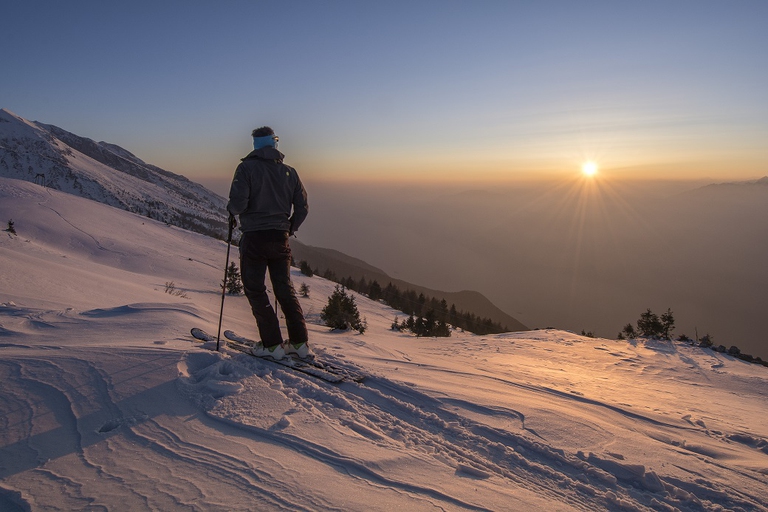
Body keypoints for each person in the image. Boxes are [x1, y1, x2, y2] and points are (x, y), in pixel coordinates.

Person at [227, 126, 309, 360]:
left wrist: (230, 210)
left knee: (255, 289)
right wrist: (290, 228)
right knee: (284, 289)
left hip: (254, 238)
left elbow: (239, 204)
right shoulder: (289, 172)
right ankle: (299, 343)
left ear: (255, 145)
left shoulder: (246, 168)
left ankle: (272, 345)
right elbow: (302, 207)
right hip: (280, 238)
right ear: (274, 144)